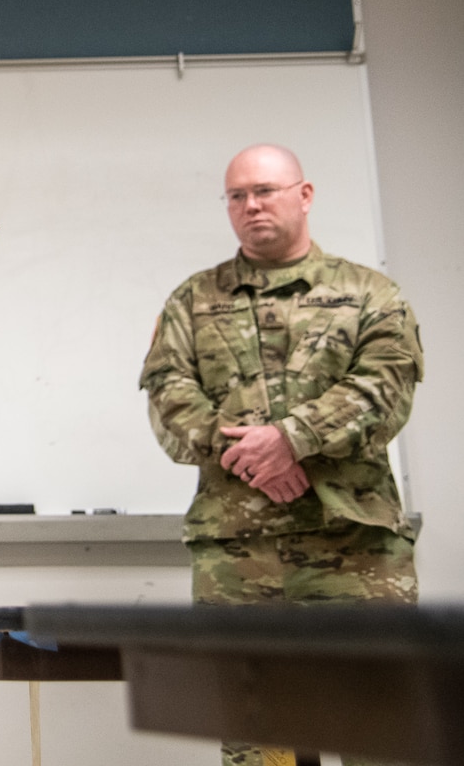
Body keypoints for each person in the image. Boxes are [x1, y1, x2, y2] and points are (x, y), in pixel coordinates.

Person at [140, 143, 423, 766]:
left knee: (380, 727)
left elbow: (385, 390)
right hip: (239, 559)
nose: (250, 206)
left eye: (264, 190)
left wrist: (293, 439)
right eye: (237, 195)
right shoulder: (191, 302)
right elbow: (168, 400)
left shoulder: (371, 294)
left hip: (357, 548)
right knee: (256, 736)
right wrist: (251, 453)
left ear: (305, 194)